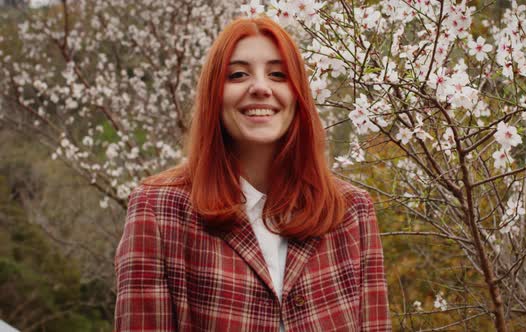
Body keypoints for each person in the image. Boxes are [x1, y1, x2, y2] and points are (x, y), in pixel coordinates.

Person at [114, 16, 391, 332]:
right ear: (214, 96)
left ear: (298, 93)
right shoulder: (159, 208)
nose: (260, 87)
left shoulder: (351, 211)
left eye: (277, 74)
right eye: (238, 75)